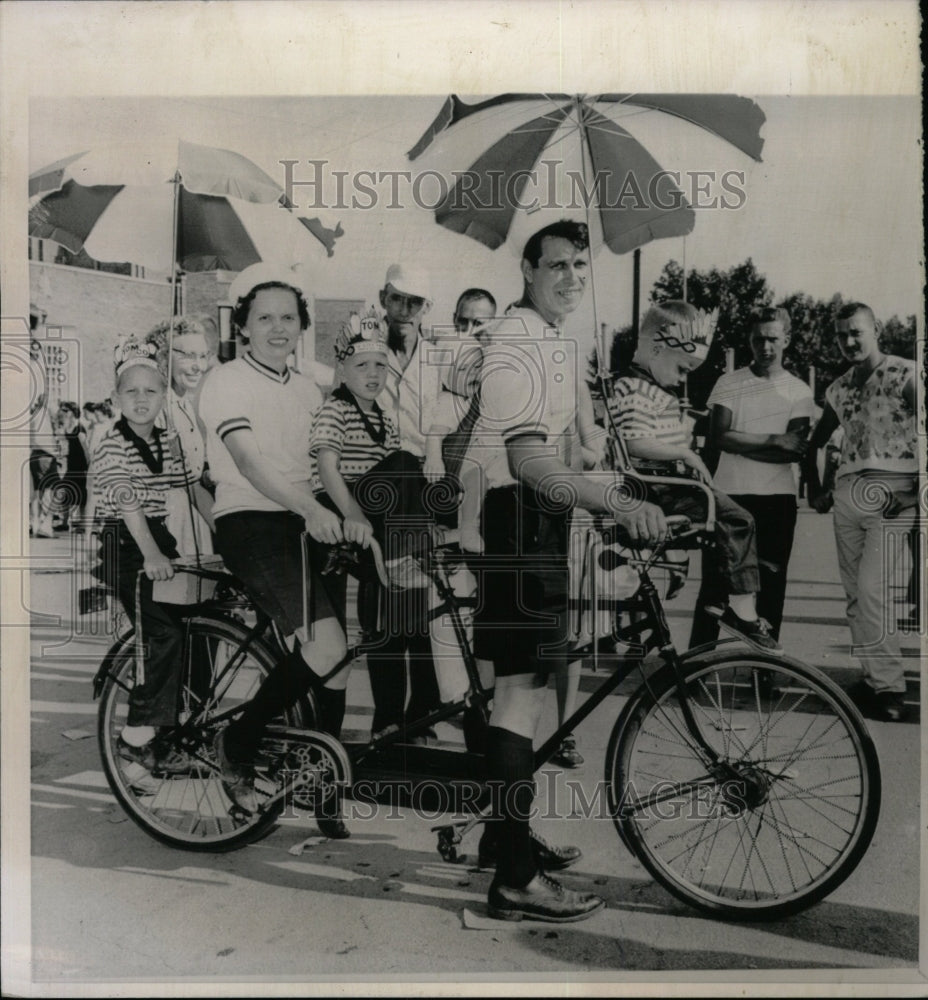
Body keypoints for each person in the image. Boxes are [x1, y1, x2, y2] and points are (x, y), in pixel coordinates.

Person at [474, 219, 667, 923]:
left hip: (542, 516)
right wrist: (611, 499)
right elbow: (527, 458)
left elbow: (569, 447)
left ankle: (505, 838)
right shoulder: (515, 341)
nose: (571, 277)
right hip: (519, 514)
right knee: (518, 700)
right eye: (555, 264)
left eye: (580, 265)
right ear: (526, 270)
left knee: (527, 695)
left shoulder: (558, 342)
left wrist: (602, 463)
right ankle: (514, 879)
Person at [199, 262, 350, 834]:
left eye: (289, 317)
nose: (278, 327)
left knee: (337, 662)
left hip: (307, 522)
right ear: (243, 326)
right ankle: (236, 739)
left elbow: (325, 466)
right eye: (265, 317)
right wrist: (312, 510)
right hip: (252, 522)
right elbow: (248, 463)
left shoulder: (309, 387)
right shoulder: (226, 381)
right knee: (327, 642)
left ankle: (321, 781)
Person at [607, 300, 782, 654]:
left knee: (726, 530)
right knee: (738, 520)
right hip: (660, 485)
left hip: (669, 483)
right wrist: (685, 453)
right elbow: (633, 442)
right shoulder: (633, 388)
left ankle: (722, 599)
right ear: (657, 347)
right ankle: (743, 612)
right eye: (684, 368)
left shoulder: (653, 390)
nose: (684, 378)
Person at [804, 302, 918, 723]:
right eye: (841, 335)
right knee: (856, 596)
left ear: (876, 329)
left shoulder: (903, 373)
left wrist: (915, 494)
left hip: (892, 493)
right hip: (847, 495)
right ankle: (873, 681)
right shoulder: (838, 387)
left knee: (873, 591)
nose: (849, 341)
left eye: (856, 332)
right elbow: (814, 444)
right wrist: (817, 488)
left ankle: (890, 688)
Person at [91, 337, 191, 780]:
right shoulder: (111, 443)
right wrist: (151, 553)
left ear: (163, 396)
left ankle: (167, 733)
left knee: (191, 627)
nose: (141, 399)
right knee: (162, 634)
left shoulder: (167, 440)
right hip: (126, 544)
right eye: (130, 391)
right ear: (116, 399)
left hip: (158, 540)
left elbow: (192, 489)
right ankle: (135, 737)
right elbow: (128, 503)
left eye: (151, 390)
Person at [689, 307, 814, 647]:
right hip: (729, 495)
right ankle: (695, 667)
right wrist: (772, 440)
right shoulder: (729, 382)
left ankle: (765, 670)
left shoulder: (799, 390)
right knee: (715, 588)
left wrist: (740, 442)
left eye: (773, 338)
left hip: (777, 500)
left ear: (786, 340)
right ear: (749, 340)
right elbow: (719, 437)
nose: (766, 347)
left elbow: (793, 450)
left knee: (771, 586)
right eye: (759, 339)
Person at [366, 263, 444, 738]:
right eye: (396, 299)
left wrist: (433, 446)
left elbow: (447, 414)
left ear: (427, 308)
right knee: (386, 605)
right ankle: (387, 715)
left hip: (423, 481)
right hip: (380, 482)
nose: (404, 311)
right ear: (383, 297)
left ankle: (423, 713)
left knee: (426, 604)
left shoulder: (439, 357)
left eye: (415, 302)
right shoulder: (364, 349)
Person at [144, 318, 215, 557]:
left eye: (203, 356)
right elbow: (179, 477)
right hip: (171, 518)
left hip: (193, 513)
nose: (199, 366)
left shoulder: (185, 403)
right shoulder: (158, 407)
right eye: (188, 356)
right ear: (163, 358)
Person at [54, 400, 90, 531]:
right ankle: (64, 522)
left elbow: (86, 449)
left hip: (81, 467)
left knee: (81, 496)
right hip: (71, 465)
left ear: (73, 412)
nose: (63, 412)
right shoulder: (70, 426)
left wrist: (89, 466)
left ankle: (83, 524)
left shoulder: (80, 428)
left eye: (65, 410)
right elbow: (61, 437)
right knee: (65, 492)